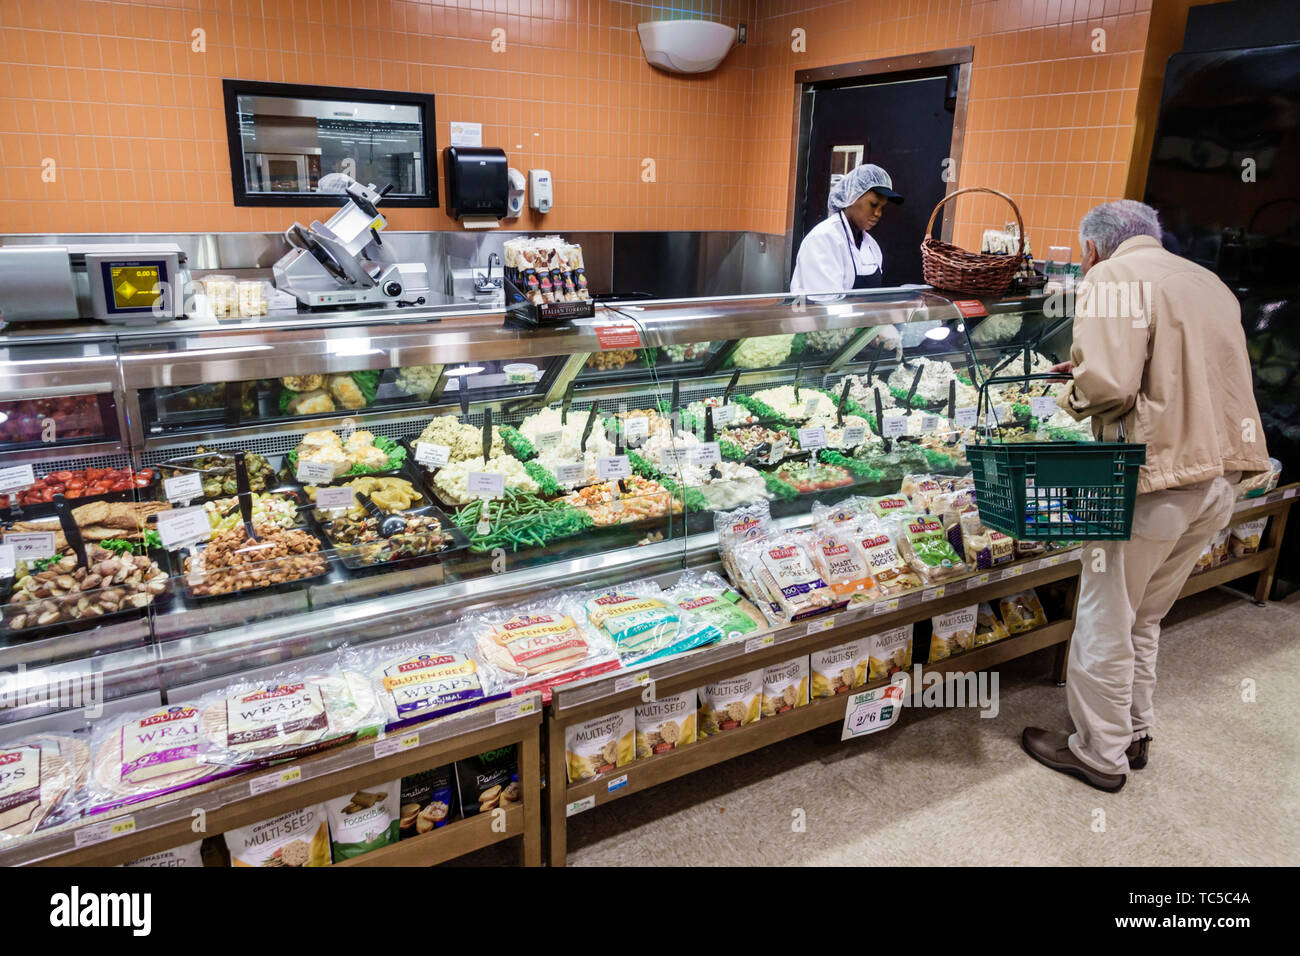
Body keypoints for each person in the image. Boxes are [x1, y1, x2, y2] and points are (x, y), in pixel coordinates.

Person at [1022, 200, 1271, 792]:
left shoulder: (1111, 275)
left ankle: (1098, 755)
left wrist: (1073, 391)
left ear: (1090, 250)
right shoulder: (1205, 280)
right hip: (1216, 479)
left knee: (1105, 618)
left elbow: (1110, 383)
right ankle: (1133, 733)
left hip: (1153, 481)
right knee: (1144, 617)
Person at [791, 164, 903, 293]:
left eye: (882, 207)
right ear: (852, 195)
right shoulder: (824, 239)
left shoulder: (872, 247)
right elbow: (825, 303)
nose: (878, 213)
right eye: (873, 204)